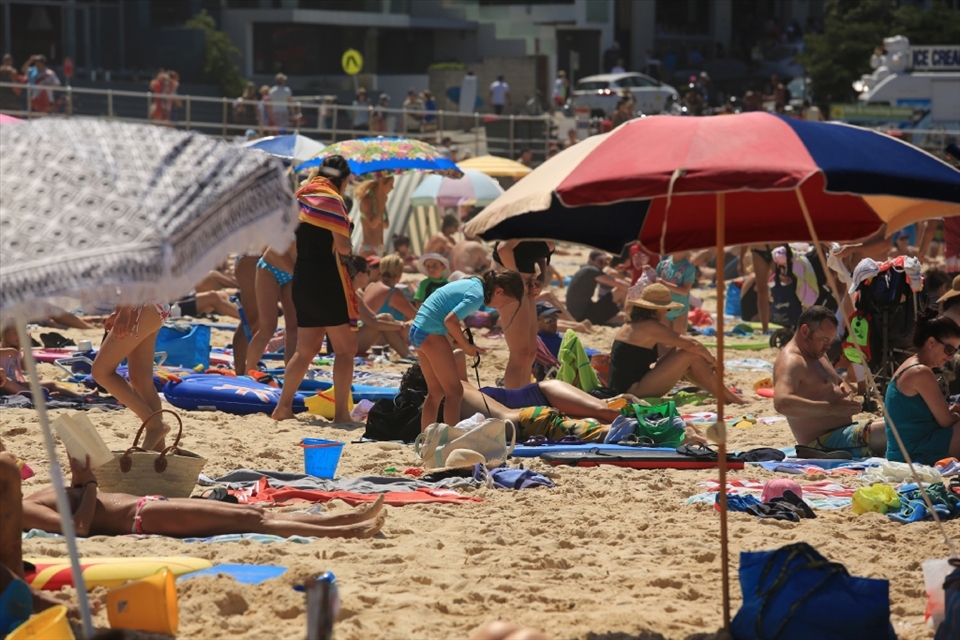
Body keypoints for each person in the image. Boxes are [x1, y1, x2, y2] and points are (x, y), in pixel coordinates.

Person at [23, 454, 385, 539]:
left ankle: (342, 520)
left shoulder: (27, 497)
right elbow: (79, 528)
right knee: (246, 520)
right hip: (140, 517)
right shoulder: (19, 508)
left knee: (254, 513)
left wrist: (78, 477)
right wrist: (86, 485)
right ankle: (343, 531)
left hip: (149, 505)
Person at [273, 156, 357, 423]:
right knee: (345, 350)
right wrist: (350, 246)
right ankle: (342, 414)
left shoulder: (302, 195)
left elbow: (284, 243)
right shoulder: (332, 199)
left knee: (305, 350)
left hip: (303, 279)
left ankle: (283, 407)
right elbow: (343, 247)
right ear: (343, 180)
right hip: (328, 280)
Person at [410, 270, 525, 430]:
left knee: (435, 392)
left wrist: (457, 342)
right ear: (499, 291)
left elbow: (441, 311)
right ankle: (452, 441)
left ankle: (425, 442)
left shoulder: (474, 283)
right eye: (504, 303)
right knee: (455, 392)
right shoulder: (477, 296)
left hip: (417, 331)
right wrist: (466, 347)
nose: (500, 307)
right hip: (431, 333)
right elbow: (450, 321)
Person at [773, 306, 886, 457]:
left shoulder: (817, 354)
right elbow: (782, 403)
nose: (828, 346)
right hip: (822, 443)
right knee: (900, 431)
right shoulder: (792, 361)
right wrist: (832, 408)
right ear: (805, 331)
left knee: (902, 423)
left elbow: (839, 381)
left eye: (831, 340)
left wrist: (847, 394)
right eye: (824, 339)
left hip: (844, 432)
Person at [609, 285, 747, 405]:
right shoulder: (649, 326)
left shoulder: (634, 324)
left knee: (687, 352)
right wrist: (713, 362)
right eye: (666, 309)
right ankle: (729, 397)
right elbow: (694, 344)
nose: (665, 313)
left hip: (630, 385)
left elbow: (677, 347)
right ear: (657, 309)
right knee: (689, 353)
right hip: (633, 392)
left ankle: (725, 395)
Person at [91, 302, 172, 451]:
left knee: (101, 372)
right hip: (154, 305)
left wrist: (125, 312)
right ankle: (158, 453)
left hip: (141, 305)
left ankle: (154, 425)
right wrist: (119, 311)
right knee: (141, 382)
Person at [883, 309, 960, 464]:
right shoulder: (921, 372)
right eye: (949, 349)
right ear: (931, 342)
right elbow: (946, 421)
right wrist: (956, 414)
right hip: (914, 452)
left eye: (955, 351)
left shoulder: (910, 365)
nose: (951, 356)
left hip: (906, 449)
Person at [492, 241, 554, 389]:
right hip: (508, 284)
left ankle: (523, 399)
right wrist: (518, 280)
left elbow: (539, 255)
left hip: (524, 284)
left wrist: (542, 278)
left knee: (530, 353)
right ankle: (513, 402)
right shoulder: (522, 221)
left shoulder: (549, 226)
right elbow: (503, 249)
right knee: (519, 354)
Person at [244, 246, 298, 373]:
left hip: (294, 272)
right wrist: (297, 274)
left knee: (293, 329)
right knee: (267, 328)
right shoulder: (293, 226)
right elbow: (280, 248)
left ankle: (290, 374)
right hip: (270, 269)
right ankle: (248, 372)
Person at [0, 326, 90, 398]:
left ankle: (81, 395)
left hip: (17, 385)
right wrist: (9, 351)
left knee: (51, 383)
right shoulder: (4, 348)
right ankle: (36, 395)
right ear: (4, 334)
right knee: (7, 381)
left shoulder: (17, 350)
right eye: (16, 333)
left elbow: (25, 367)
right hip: (3, 384)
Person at [565, 250, 630, 325]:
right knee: (620, 291)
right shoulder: (592, 270)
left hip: (579, 314)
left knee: (621, 316)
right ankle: (633, 318)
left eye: (606, 263)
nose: (603, 266)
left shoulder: (585, 270)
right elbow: (621, 284)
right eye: (600, 262)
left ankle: (631, 316)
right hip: (583, 317)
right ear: (590, 260)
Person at [364, 254, 417, 322]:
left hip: (363, 329)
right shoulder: (392, 293)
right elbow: (416, 316)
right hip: (377, 331)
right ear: (399, 273)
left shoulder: (371, 286)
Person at [231, 254, 261, 376]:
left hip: (258, 259)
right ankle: (240, 371)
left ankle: (248, 368)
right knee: (251, 318)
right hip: (252, 258)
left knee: (258, 320)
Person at [657, 251, 696, 336]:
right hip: (664, 309)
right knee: (665, 343)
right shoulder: (663, 265)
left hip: (680, 310)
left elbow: (685, 291)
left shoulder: (688, 268)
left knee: (679, 342)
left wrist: (665, 284)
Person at [738, 245, 774, 333]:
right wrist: (741, 259)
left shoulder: (751, 277)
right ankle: (765, 328)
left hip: (777, 247)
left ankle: (767, 328)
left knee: (779, 288)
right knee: (762, 292)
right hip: (759, 249)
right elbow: (745, 239)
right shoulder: (752, 277)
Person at [355, 176, 393, 257]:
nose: (392, 188)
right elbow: (373, 224)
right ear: (382, 185)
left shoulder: (381, 199)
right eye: (391, 184)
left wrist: (381, 202)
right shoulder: (367, 200)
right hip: (368, 248)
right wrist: (381, 204)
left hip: (379, 248)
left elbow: (386, 225)